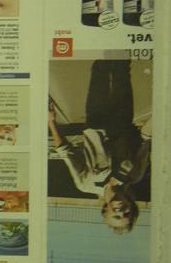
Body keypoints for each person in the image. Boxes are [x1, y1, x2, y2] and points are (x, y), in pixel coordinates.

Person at [48, 59, 150, 233]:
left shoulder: (85, 184)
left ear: (105, 211)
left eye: (116, 216)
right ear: (131, 205)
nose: (121, 212)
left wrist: (51, 122)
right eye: (127, 214)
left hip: (95, 121)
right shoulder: (135, 175)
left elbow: (66, 152)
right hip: (123, 121)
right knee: (122, 71)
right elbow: (146, 141)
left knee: (99, 71)